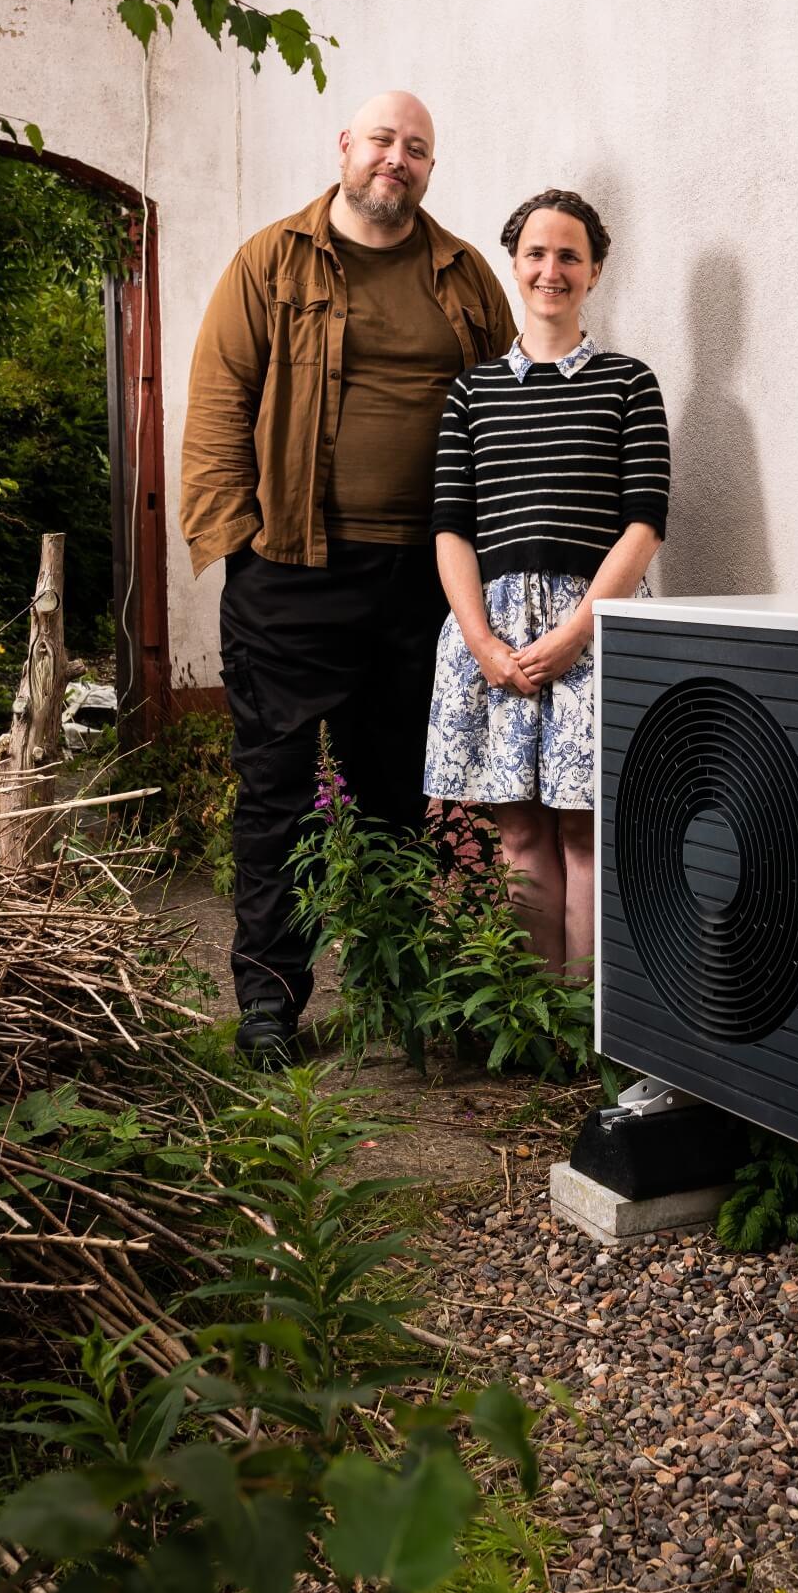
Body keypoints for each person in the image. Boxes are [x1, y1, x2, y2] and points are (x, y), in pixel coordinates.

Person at [180, 91, 518, 1066]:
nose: (396, 160)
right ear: (345, 148)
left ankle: (396, 987)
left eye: (415, 149)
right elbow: (216, 404)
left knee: (400, 795)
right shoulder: (271, 261)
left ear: (427, 167)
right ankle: (272, 1002)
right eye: (382, 141)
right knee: (279, 792)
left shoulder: (462, 275)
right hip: (293, 571)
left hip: (425, 579)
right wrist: (240, 539)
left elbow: (501, 401)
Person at [424, 189, 670, 978]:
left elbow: (643, 525)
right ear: (514, 263)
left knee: (584, 828)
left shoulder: (628, 384)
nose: (550, 270)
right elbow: (451, 529)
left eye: (569, 255)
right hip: (490, 631)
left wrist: (574, 637)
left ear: (594, 271)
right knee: (519, 833)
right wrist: (481, 642)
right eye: (536, 253)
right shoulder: (471, 393)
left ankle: (587, 1023)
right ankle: (531, 1017)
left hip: (594, 630)